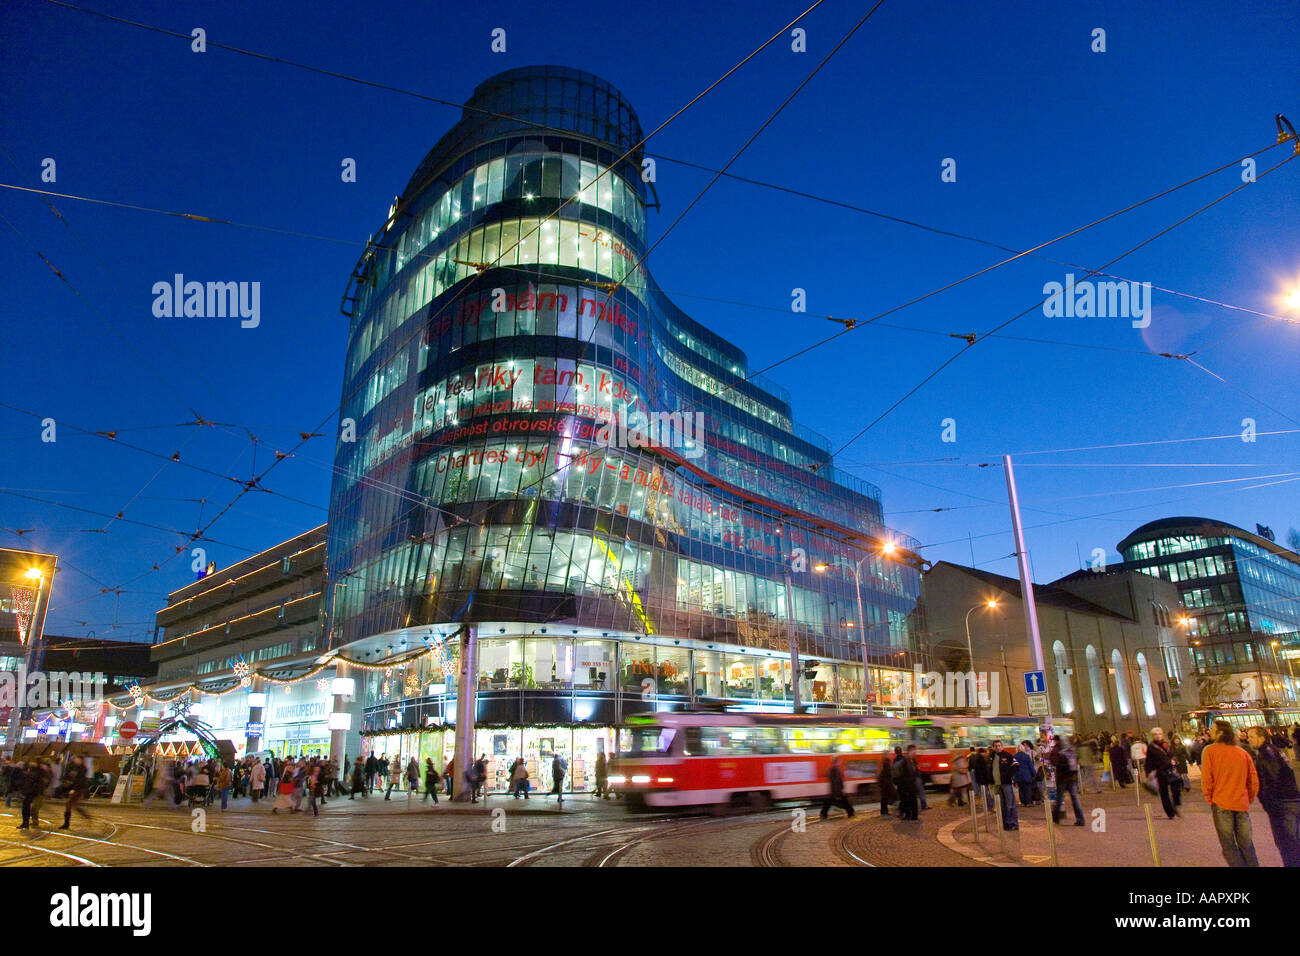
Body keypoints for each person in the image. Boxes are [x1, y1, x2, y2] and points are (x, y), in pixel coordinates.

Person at [1201, 719, 1260, 867]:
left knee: (1228, 845)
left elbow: (1207, 779)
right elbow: (1253, 780)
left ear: (1220, 733)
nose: (1210, 731)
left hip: (1221, 803)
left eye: (1212, 729)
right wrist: (1249, 798)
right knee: (1246, 844)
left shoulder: (1210, 751)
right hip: (1241, 803)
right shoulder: (1242, 753)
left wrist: (1209, 798)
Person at [1246, 726, 1300, 866]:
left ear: (1262, 737)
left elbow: (1273, 779)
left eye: (1252, 736)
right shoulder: (1275, 751)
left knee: (1287, 843)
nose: (1248, 739)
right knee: (1293, 841)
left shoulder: (1266, 754)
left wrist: (1268, 804)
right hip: (1290, 800)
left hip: (1282, 804)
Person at [1050, 736, 1086, 826]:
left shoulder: (1057, 750)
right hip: (1072, 778)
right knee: (1075, 798)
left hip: (1062, 778)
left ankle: (1055, 818)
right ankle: (1080, 819)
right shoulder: (1071, 750)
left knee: (1059, 798)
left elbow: (1054, 762)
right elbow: (1077, 762)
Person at [1144, 728, 1179, 819]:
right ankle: (1170, 812)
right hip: (1160, 772)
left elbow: (1173, 754)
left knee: (1176, 787)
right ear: (1153, 736)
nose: (1158, 735)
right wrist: (1148, 773)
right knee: (1164, 793)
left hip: (1170, 770)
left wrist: (1175, 761)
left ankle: (1175, 805)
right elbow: (1148, 761)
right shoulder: (1151, 747)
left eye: (1159, 733)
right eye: (1155, 734)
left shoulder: (1167, 744)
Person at [16, 759, 51, 830]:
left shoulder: (39, 772)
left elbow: (39, 782)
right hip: (32, 791)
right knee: (29, 807)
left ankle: (29, 823)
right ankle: (28, 823)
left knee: (31, 808)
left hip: (33, 792)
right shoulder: (37, 771)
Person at [58, 756, 91, 830]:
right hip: (76, 788)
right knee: (73, 805)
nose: (75, 760)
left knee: (69, 804)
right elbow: (69, 777)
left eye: (76, 759)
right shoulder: (74, 767)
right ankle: (83, 814)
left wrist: (74, 789)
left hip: (79, 789)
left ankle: (66, 824)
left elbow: (80, 780)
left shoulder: (82, 769)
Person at [992, 741, 1019, 831]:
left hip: (1006, 784)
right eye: (996, 746)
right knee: (1001, 805)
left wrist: (1010, 776)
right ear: (993, 747)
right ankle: (1005, 823)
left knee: (1010, 804)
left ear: (1002, 746)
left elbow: (1016, 765)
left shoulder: (1007, 755)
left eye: (999, 746)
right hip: (997, 784)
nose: (998, 747)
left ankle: (1013, 823)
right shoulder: (991, 756)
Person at [820, 755, 855, 819]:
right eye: (839, 760)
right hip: (836, 790)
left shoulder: (832, 768)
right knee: (844, 802)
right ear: (837, 761)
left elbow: (833, 779)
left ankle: (823, 814)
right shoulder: (835, 768)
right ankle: (851, 812)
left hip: (835, 790)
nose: (840, 762)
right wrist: (838, 790)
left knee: (829, 802)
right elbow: (836, 780)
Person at [891, 747, 918, 820]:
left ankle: (910, 815)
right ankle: (912, 816)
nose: (915, 753)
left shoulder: (909, 760)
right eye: (913, 751)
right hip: (907, 784)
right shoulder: (906, 760)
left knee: (908, 800)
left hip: (907, 784)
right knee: (910, 800)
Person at [969, 746, 994, 811]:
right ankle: (989, 807)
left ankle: (989, 806)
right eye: (985, 753)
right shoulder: (981, 759)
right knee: (987, 794)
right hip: (983, 780)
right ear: (982, 753)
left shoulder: (975, 758)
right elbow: (983, 771)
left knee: (985, 794)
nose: (986, 754)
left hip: (980, 780)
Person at [1013, 742, 1036, 807]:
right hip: (1027, 775)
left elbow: (1014, 767)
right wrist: (1033, 774)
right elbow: (1030, 766)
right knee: (1028, 789)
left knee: (1021, 789)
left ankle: (1023, 802)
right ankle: (1028, 802)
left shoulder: (1014, 756)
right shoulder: (1027, 756)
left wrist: (1014, 777)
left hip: (1018, 775)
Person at [877, 750, 896, 815]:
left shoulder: (883, 761)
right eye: (889, 754)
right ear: (886, 755)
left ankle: (884, 811)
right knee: (885, 797)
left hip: (884, 782)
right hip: (886, 782)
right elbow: (888, 772)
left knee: (884, 797)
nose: (890, 755)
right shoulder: (887, 762)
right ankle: (884, 811)